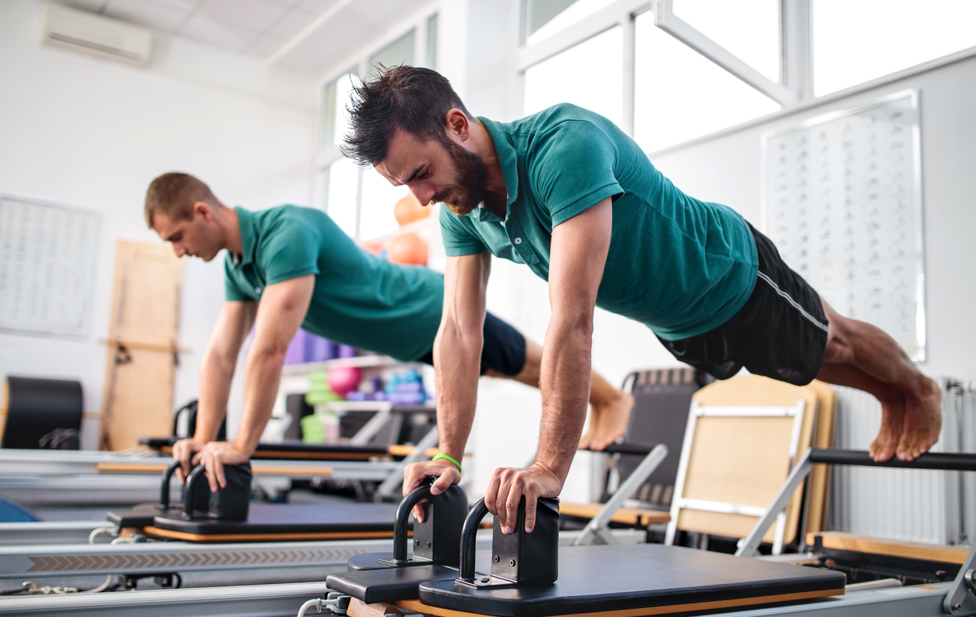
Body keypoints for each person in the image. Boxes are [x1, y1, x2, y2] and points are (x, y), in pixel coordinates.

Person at [341, 65, 943, 536]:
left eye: (421, 173)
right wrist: (448, 452)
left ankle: (916, 388)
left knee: (830, 337)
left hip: (728, 271)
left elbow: (571, 320)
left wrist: (550, 466)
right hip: (678, 323)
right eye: (405, 185)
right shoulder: (462, 209)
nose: (421, 198)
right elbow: (458, 334)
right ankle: (891, 392)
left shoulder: (562, 146)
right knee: (805, 365)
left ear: (456, 124)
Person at [143, 173, 633, 490]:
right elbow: (221, 356)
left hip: (424, 309)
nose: (178, 251)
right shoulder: (238, 266)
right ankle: (601, 400)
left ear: (203, 212)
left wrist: (240, 447)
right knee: (515, 371)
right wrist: (204, 439)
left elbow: (269, 350)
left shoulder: (285, 231)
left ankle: (610, 399)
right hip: (401, 339)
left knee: (525, 365)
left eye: (176, 238)